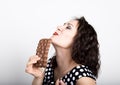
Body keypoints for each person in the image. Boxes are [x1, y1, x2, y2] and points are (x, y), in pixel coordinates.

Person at [25, 16, 100, 85]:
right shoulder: (50, 65)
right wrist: (39, 77)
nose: (59, 27)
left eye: (68, 27)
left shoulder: (83, 77)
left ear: (79, 40)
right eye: (63, 25)